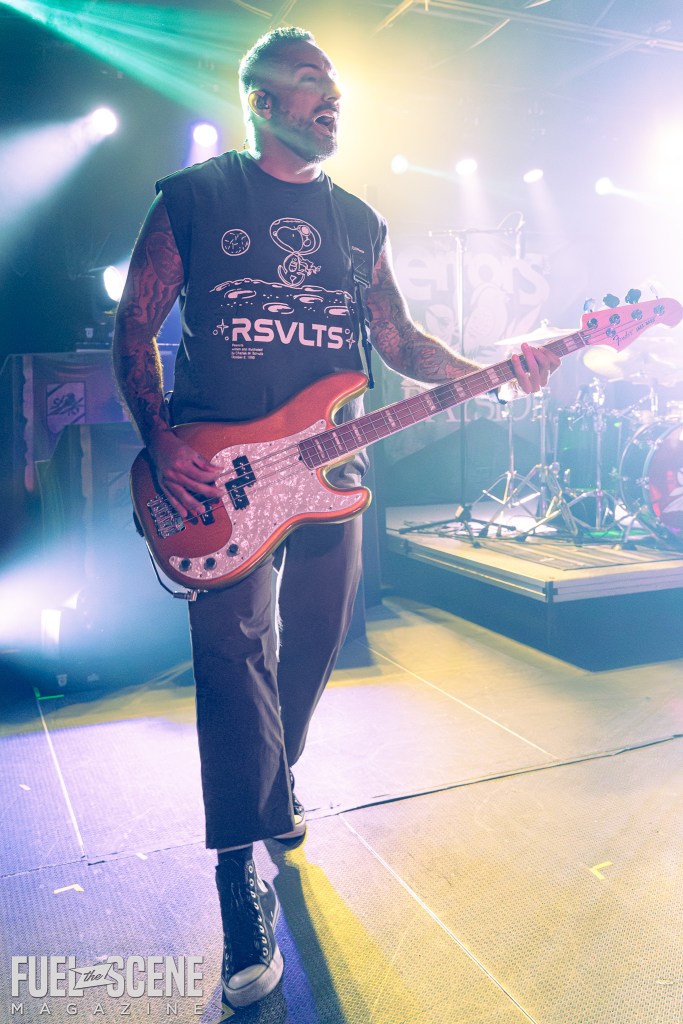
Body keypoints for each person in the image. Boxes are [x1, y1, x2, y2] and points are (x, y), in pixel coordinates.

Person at [112, 26, 560, 1010]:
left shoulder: (359, 221)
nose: (330, 100)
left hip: (328, 472)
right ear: (263, 101)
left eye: (337, 89)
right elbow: (135, 325)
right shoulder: (195, 197)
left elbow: (397, 340)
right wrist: (162, 441)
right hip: (216, 473)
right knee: (235, 658)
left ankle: (279, 783)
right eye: (311, 84)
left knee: (311, 648)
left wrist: (497, 370)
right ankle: (239, 874)